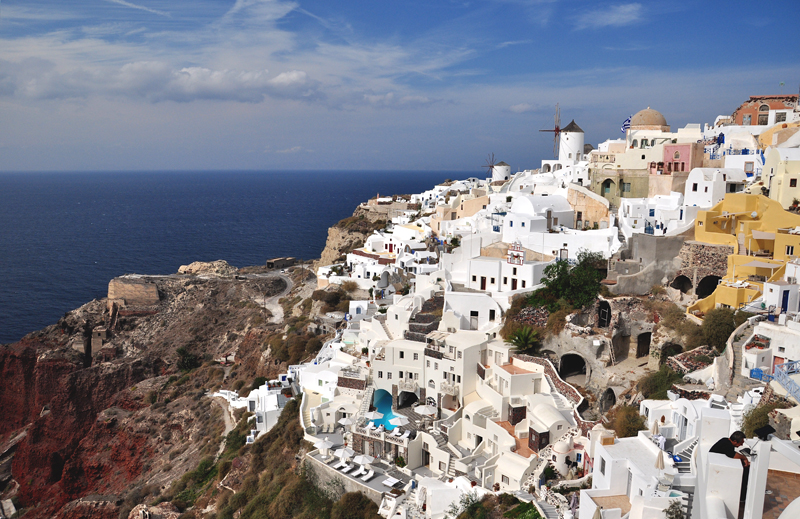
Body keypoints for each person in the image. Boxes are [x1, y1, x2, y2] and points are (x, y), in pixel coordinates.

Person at [709, 431, 749, 501]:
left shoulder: (725, 441)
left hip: (718, 463)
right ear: (734, 441)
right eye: (740, 443)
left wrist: (743, 458)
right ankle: (743, 496)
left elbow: (731, 453)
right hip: (717, 468)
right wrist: (744, 458)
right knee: (745, 471)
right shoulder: (727, 445)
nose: (741, 445)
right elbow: (731, 454)